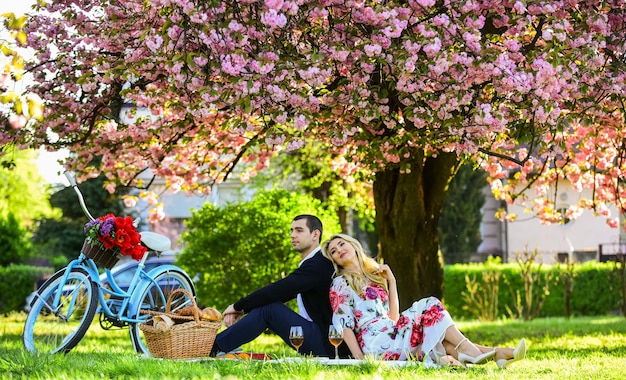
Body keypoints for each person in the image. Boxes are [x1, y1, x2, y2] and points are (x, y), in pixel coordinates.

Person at [321, 234, 526, 368]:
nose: (339, 250)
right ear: (335, 260)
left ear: (352, 244)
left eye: (341, 244)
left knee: (441, 338)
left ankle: (496, 353)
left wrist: (392, 281)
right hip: (375, 342)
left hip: (391, 331)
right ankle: (478, 351)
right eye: (333, 252)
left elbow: (392, 317)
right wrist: (360, 359)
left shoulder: (373, 277)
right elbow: (344, 324)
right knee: (429, 304)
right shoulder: (340, 283)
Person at [212, 215, 349, 358]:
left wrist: (238, 306)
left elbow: (277, 290)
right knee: (268, 307)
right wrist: (244, 307)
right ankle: (219, 346)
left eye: (299, 230)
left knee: (269, 309)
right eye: (291, 231)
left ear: (315, 234)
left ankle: (213, 348)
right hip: (324, 340)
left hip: (330, 345)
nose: (292, 235)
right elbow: (281, 293)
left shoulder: (318, 264)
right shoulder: (316, 263)